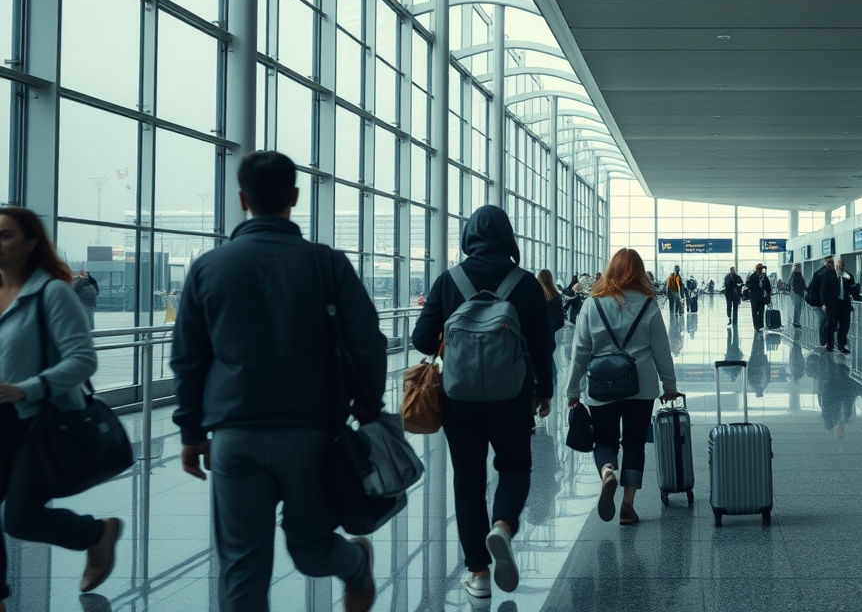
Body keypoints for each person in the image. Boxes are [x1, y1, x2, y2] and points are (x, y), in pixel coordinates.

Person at [170, 152, 385, 612]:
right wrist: (367, 403)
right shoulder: (327, 265)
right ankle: (353, 564)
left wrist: (190, 432)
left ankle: (354, 563)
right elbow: (369, 342)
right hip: (311, 433)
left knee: (242, 570)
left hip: (234, 433)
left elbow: (188, 358)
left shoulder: (209, 268)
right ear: (294, 196)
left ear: (243, 198)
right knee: (310, 548)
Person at [411, 206, 555, 600]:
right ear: (507, 236)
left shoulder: (448, 280)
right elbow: (544, 346)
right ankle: (503, 526)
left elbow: (421, 340)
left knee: (468, 480)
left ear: (468, 236)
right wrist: (545, 389)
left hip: (460, 399)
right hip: (512, 395)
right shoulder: (525, 284)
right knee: (515, 466)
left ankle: (478, 573)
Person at [0, 208, 121, 609]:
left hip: (34, 424)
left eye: (5, 236)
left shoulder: (52, 292)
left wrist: (26, 389)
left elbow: (83, 359)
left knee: (20, 519)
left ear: (31, 243)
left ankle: (96, 533)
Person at [566, 249, 680, 526]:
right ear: (639, 271)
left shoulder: (592, 304)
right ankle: (627, 506)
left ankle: (607, 472)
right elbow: (661, 350)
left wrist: (573, 390)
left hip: (601, 385)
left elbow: (579, 351)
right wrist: (669, 385)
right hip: (641, 387)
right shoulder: (648, 304)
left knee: (604, 440)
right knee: (634, 443)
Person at [819, 258, 862, 354]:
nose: (840, 268)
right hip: (832, 305)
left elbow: (853, 289)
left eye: (841, 266)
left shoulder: (848, 276)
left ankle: (841, 346)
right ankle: (830, 344)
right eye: (838, 266)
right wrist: (823, 304)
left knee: (845, 325)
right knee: (832, 325)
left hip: (844, 304)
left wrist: (854, 288)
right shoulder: (828, 276)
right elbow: (823, 291)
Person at [807, 256, 836, 347]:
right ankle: (825, 341)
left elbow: (811, 288)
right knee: (824, 321)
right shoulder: (828, 273)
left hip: (821, 302)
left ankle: (824, 341)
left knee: (823, 321)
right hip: (823, 302)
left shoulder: (819, 273)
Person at [745, 263, 772, 331]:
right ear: (756, 269)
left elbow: (767, 285)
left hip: (761, 297)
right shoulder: (752, 276)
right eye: (759, 268)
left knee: (761, 311)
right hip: (754, 297)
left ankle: (760, 325)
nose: (760, 270)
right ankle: (756, 326)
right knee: (754, 311)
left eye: (761, 268)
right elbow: (748, 284)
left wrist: (768, 294)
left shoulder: (764, 277)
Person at [787, 263, 807, 328]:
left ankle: (796, 321)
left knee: (797, 308)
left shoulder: (793, 275)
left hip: (796, 294)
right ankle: (796, 321)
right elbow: (799, 285)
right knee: (797, 308)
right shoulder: (796, 275)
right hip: (797, 294)